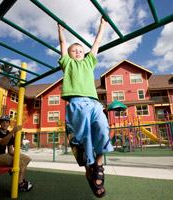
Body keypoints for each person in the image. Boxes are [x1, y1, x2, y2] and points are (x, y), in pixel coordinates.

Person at [58, 17, 114, 198]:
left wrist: (102, 25)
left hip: (93, 103)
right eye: (74, 50)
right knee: (84, 139)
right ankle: (89, 171)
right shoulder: (67, 64)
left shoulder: (90, 62)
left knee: (103, 128)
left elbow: (96, 43)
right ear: (69, 54)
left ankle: (98, 164)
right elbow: (62, 42)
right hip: (76, 104)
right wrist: (60, 29)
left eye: (80, 50)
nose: (78, 52)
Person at [0, 115, 33, 192]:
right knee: (18, 162)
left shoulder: (9, 133)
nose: (5, 124)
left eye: (6, 122)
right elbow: (2, 143)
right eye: (3, 122)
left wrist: (18, 155)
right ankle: (20, 183)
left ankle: (20, 181)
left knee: (26, 159)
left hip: (1, 156)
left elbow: (10, 150)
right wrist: (13, 131)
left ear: (9, 123)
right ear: (0, 123)